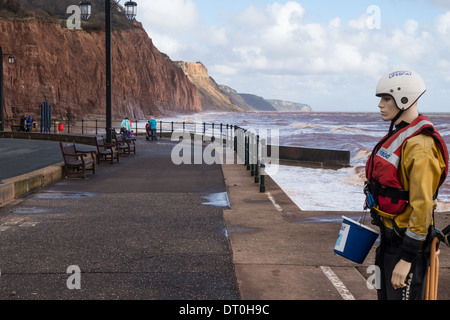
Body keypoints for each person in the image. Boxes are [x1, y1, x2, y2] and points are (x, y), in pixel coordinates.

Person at [364, 69, 448, 300]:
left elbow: (423, 206)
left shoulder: (421, 146)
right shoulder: (402, 135)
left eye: (386, 98)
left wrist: (407, 259)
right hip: (388, 240)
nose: (380, 105)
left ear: (404, 98)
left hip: (405, 247)